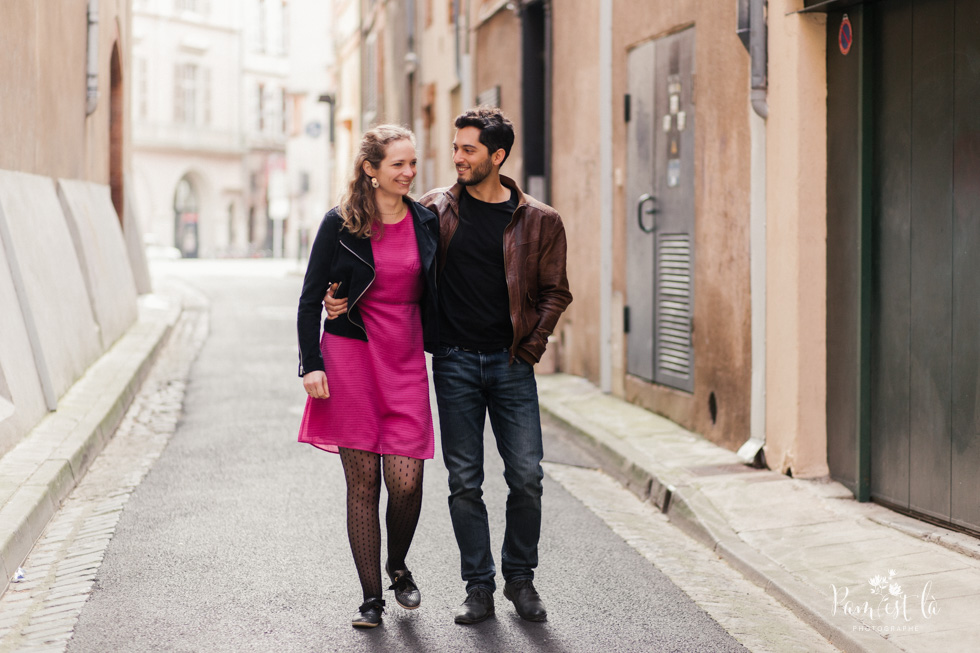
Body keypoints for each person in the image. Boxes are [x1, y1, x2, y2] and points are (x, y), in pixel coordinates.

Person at [324, 107, 572, 624]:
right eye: (455, 147)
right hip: (454, 363)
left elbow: (556, 292)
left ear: (497, 157)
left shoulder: (540, 220)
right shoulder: (434, 211)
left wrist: (531, 345)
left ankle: (520, 581)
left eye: (468, 150)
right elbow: (386, 259)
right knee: (465, 481)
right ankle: (478, 587)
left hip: (511, 364)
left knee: (526, 475)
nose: (455, 157)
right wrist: (343, 301)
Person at [296, 124, 439, 629]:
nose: (409, 172)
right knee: (364, 486)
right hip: (351, 358)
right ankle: (371, 599)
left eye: (412, 163)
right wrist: (310, 362)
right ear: (370, 169)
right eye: (398, 164)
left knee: (407, 480)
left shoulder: (426, 221)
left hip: (403, 361)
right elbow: (311, 296)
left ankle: (397, 563)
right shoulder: (340, 223)